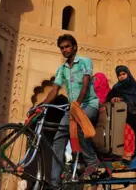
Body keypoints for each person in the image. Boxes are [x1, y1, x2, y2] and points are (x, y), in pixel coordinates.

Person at [38, 34, 100, 187]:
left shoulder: (85, 61)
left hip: (88, 104)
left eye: (67, 46)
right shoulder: (62, 69)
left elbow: (85, 85)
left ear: (74, 47)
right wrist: (41, 106)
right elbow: (54, 91)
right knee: (59, 137)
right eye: (62, 48)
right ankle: (55, 181)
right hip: (72, 108)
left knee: (79, 126)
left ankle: (92, 161)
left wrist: (77, 105)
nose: (65, 50)